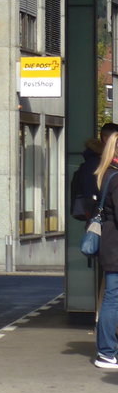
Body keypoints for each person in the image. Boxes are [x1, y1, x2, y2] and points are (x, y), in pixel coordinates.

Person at [93, 130, 118, 369]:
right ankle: (107, 352)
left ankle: (107, 350)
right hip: (116, 248)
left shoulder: (108, 174)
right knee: (112, 299)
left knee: (111, 298)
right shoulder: (117, 177)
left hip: (111, 246)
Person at [72, 124, 118, 221]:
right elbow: (92, 193)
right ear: (106, 139)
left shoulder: (96, 161)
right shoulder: (96, 163)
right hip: (99, 214)